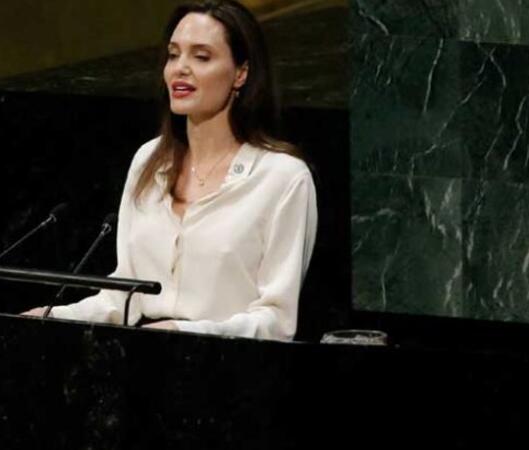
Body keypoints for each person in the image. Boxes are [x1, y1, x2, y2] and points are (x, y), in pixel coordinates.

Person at [24, 0, 317, 341]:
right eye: (173, 55)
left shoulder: (283, 178)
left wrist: (182, 332)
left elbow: (276, 322)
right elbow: (122, 299)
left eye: (201, 57)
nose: (181, 68)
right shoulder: (149, 161)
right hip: (143, 359)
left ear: (241, 73)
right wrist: (51, 317)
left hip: (229, 367)